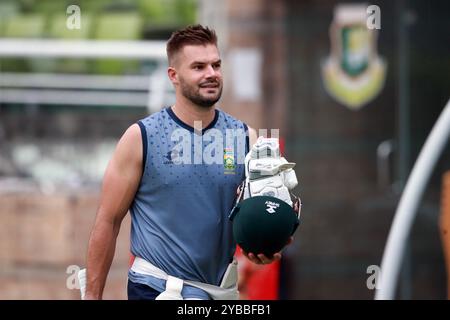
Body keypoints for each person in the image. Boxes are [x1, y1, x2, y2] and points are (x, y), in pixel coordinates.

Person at [83, 24, 295, 300]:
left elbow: (253, 213)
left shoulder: (245, 137)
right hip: (158, 289)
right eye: (199, 67)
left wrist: (264, 242)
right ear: (174, 75)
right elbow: (108, 222)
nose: (211, 74)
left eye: (216, 65)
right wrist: (91, 295)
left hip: (220, 292)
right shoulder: (141, 137)